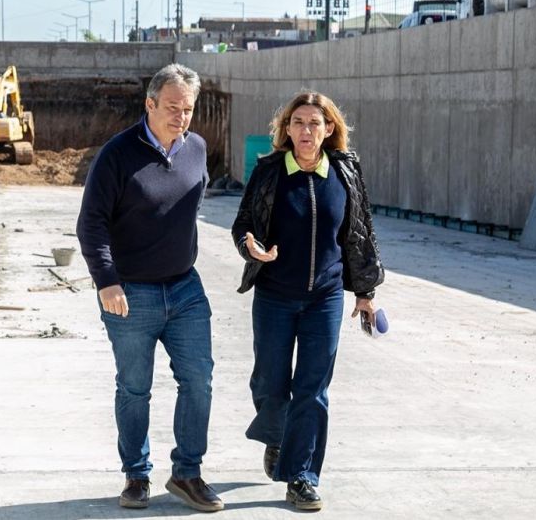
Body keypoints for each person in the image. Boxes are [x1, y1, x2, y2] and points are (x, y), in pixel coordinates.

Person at [76, 63, 222, 513]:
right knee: (135, 388)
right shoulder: (117, 154)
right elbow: (91, 224)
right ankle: (136, 476)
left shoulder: (196, 149)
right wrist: (107, 282)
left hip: (185, 289)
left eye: (188, 109)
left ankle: (187, 473)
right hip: (130, 294)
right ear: (150, 104)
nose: (181, 116)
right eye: (173, 107)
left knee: (198, 381)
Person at [230, 91, 385, 511]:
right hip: (275, 297)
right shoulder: (268, 172)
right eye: (298, 122)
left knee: (313, 389)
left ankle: (301, 476)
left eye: (315, 123)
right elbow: (243, 224)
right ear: (286, 129)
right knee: (269, 382)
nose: (306, 130)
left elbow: (359, 233)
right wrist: (251, 247)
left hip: (326, 299)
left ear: (329, 129)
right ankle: (277, 435)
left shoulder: (344, 172)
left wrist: (366, 292)